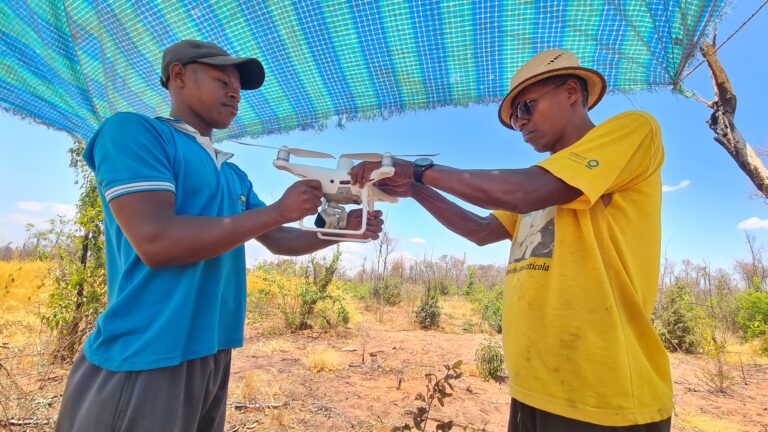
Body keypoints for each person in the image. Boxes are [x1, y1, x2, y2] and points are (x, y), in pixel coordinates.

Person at [56, 40, 383, 432]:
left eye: (239, 88)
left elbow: (277, 239)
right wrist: (277, 210)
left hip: (213, 350)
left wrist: (341, 232)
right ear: (178, 76)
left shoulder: (232, 174)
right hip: (146, 352)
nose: (234, 93)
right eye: (221, 79)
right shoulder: (134, 133)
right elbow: (156, 242)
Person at [350, 49, 672, 432]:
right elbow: (482, 230)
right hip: (536, 388)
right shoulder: (544, 181)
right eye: (515, 117)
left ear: (571, 91)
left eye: (525, 107)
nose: (520, 123)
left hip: (605, 397)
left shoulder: (632, 131)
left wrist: (419, 170)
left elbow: (523, 191)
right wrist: (416, 190)